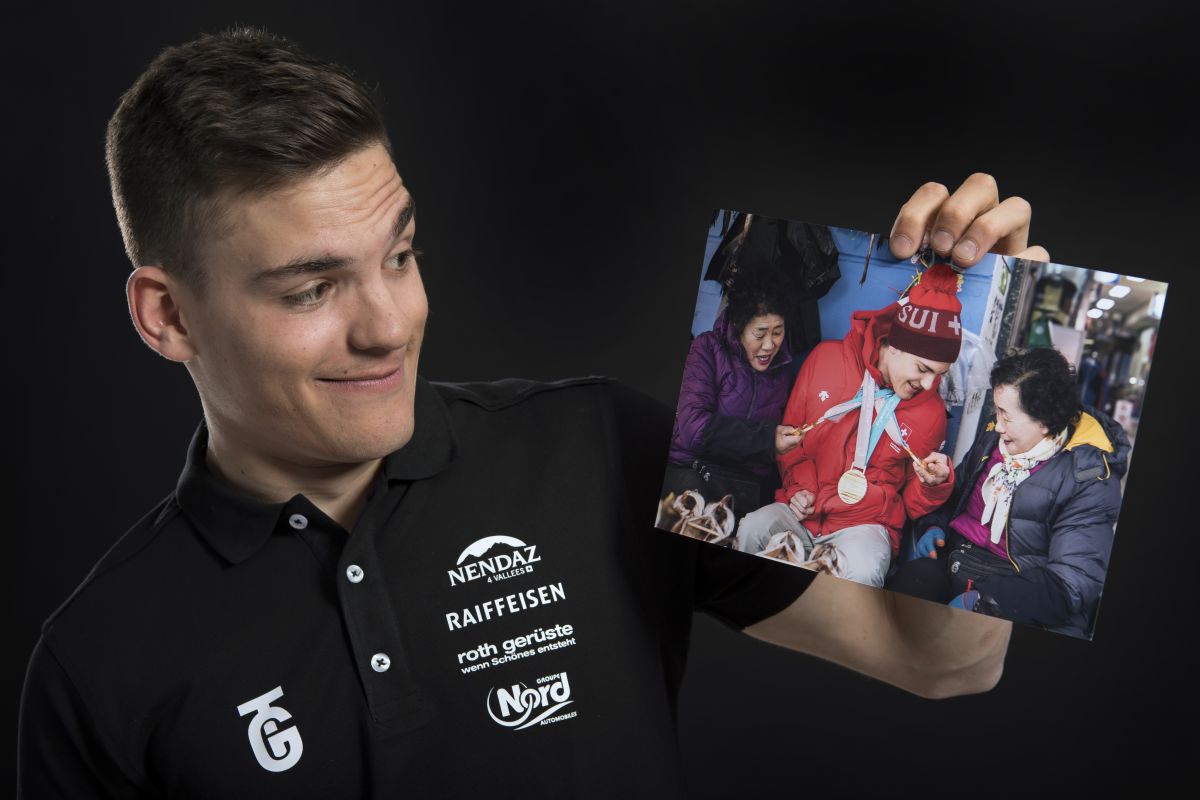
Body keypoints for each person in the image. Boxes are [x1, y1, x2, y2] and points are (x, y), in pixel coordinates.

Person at [17, 28, 1039, 798]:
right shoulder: (100, 664)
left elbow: (942, 661)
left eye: (402, 253)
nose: (393, 323)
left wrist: (997, 411)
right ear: (167, 314)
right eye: (310, 289)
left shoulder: (601, 448)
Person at [735, 262, 962, 587]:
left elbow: (911, 504)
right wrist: (800, 488)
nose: (929, 385)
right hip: (802, 508)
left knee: (863, 571)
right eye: (923, 369)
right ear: (895, 346)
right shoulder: (825, 359)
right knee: (752, 530)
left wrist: (933, 484)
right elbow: (790, 441)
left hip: (865, 525)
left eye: (939, 374)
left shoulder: (932, 413)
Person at [888, 347, 1129, 639]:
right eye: (997, 410)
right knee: (905, 597)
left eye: (1006, 415)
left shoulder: (1088, 477)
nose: (997, 424)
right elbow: (959, 495)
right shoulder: (995, 437)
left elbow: (1073, 582)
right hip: (957, 562)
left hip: (1017, 591)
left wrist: (988, 603)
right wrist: (935, 523)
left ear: (1045, 422)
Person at [663, 275, 802, 517]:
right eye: (760, 334)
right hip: (694, 471)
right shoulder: (707, 349)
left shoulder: (783, 370)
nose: (769, 345)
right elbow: (694, 429)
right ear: (739, 327)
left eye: (777, 332)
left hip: (744, 485)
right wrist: (767, 440)